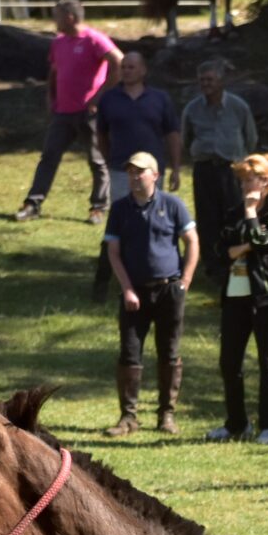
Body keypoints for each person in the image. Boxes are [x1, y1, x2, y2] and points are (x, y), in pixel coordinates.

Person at [101, 151, 194, 437]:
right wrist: (127, 288)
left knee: (170, 352)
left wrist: (185, 281)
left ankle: (167, 414)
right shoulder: (120, 209)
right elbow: (113, 252)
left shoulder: (173, 204)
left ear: (155, 175)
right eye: (130, 172)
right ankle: (128, 417)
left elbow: (192, 241)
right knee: (130, 353)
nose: (134, 176)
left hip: (169, 289)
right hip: (135, 292)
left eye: (139, 171)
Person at [11, 0, 119, 224]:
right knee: (49, 157)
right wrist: (50, 96)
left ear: (70, 17)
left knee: (97, 160)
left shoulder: (94, 39)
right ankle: (32, 204)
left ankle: (99, 207)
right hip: (62, 112)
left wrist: (100, 96)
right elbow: (54, 71)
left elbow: (118, 61)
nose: (54, 20)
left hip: (89, 112)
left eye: (57, 16)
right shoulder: (59, 42)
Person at [212, 153, 268, 445]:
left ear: (266, 181)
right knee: (229, 362)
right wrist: (246, 242)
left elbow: (265, 242)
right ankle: (236, 424)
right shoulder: (232, 212)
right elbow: (221, 250)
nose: (244, 185)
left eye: (250, 180)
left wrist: (250, 215)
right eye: (242, 180)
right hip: (236, 296)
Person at [178, 58, 254, 295]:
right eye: (202, 80)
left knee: (235, 216)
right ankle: (213, 267)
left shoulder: (238, 107)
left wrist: (242, 164)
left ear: (221, 81)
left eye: (210, 79)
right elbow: (186, 139)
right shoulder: (192, 109)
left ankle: (237, 263)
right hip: (205, 169)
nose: (206, 84)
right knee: (207, 218)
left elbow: (251, 138)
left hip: (232, 170)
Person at [91, 48, 178, 206]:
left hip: (151, 170)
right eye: (123, 67)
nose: (126, 71)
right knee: (122, 214)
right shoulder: (108, 98)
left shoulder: (160, 98)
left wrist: (176, 168)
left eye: (131, 67)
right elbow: (101, 134)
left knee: (150, 213)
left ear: (143, 70)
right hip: (120, 169)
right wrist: (109, 161)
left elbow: (172, 134)